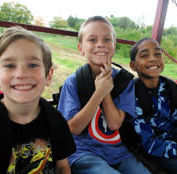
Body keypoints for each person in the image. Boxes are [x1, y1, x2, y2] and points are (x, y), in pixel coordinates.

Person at [58, 16, 151, 174]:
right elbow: (73, 128)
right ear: (81, 48)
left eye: (107, 39)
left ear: (114, 46)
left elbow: (114, 124)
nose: (100, 44)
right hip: (82, 152)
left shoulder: (125, 81)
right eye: (92, 39)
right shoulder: (73, 81)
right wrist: (99, 92)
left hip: (117, 151)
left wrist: (106, 89)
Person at [0, 26, 76, 174]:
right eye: (10, 65)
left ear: (48, 76)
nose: (21, 74)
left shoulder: (55, 119)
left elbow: (62, 166)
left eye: (32, 65)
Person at [129, 37, 177, 173]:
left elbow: (173, 116)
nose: (153, 59)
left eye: (157, 54)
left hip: (171, 132)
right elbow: (148, 142)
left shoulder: (168, 86)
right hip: (151, 145)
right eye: (144, 55)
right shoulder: (132, 95)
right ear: (133, 65)